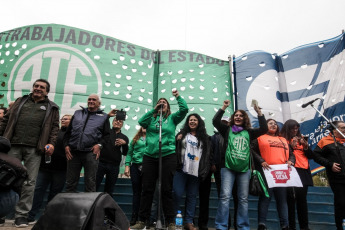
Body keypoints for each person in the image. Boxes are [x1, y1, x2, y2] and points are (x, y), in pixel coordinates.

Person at [0, 79, 59, 228]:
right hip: (12, 146)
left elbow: (54, 129)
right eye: (36, 86)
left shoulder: (52, 107)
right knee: (4, 178)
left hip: (35, 149)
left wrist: (51, 143)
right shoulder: (20, 101)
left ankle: (21, 216)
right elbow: (5, 120)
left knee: (29, 182)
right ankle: (1, 213)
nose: (38, 89)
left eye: (42, 87)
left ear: (47, 91)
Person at [130, 89, 188, 230]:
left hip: (167, 155)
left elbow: (184, 109)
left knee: (166, 189)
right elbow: (141, 121)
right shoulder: (151, 118)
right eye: (159, 102)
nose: (162, 104)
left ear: (168, 106)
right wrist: (154, 111)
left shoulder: (172, 119)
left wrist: (177, 96)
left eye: (164, 103)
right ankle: (142, 220)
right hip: (150, 156)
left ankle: (170, 222)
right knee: (147, 189)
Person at [213, 99, 267, 230]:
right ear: (233, 118)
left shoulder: (249, 132)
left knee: (243, 199)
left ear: (245, 118)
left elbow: (264, 129)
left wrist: (259, 112)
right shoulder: (227, 129)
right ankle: (221, 226)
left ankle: (243, 226)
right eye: (236, 115)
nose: (238, 117)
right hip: (227, 168)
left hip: (244, 169)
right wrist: (224, 107)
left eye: (241, 115)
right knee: (225, 197)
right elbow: (215, 121)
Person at [27, 114, 72, 224]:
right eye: (62, 119)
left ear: (72, 121)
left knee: (55, 194)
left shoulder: (73, 134)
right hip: (44, 168)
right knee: (38, 191)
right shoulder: (54, 133)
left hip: (61, 169)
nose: (63, 120)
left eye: (66, 119)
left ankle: (49, 218)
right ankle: (30, 216)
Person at [251, 119, 295, 230]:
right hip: (267, 172)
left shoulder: (283, 139)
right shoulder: (260, 139)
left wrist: (291, 161)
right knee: (265, 198)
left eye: (275, 123)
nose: (273, 125)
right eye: (270, 123)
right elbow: (251, 150)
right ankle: (262, 224)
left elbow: (292, 154)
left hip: (282, 173)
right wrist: (261, 160)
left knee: (282, 200)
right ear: (265, 126)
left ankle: (285, 225)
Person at [64, 94, 110, 192]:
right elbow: (68, 132)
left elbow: (107, 135)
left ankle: (90, 207)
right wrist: (66, 145)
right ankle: (69, 206)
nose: (91, 101)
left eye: (94, 99)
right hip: (73, 153)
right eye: (89, 99)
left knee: (90, 182)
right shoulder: (77, 113)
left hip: (90, 153)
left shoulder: (104, 117)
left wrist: (99, 145)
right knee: (70, 182)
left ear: (99, 103)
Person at [174, 113, 211, 230]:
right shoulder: (181, 134)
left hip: (196, 171)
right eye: (190, 120)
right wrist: (177, 140)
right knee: (177, 194)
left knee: (192, 196)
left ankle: (189, 222)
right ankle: (174, 220)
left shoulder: (205, 138)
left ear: (199, 122)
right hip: (181, 169)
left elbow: (207, 154)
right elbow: (175, 149)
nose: (193, 122)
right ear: (187, 122)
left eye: (195, 120)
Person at [280, 119, 313, 230]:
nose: (295, 130)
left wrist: (306, 146)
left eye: (296, 128)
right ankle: (291, 226)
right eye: (292, 128)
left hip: (303, 171)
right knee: (290, 200)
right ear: (287, 129)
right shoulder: (282, 140)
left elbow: (311, 156)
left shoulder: (302, 139)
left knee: (302, 200)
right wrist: (292, 147)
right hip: (291, 171)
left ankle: (305, 227)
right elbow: (282, 156)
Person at [313, 121, 345, 230]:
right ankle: (340, 227)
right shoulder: (325, 141)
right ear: (334, 130)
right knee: (341, 202)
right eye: (343, 128)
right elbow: (316, 156)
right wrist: (329, 164)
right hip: (337, 178)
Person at [96, 115, 128, 195]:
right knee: (94, 186)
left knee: (109, 189)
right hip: (100, 163)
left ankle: (106, 206)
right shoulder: (105, 132)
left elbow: (125, 152)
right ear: (112, 122)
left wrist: (124, 144)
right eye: (116, 120)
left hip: (114, 166)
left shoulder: (125, 137)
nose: (117, 122)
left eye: (120, 121)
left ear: (122, 125)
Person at [124, 127, 146, 225]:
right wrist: (127, 166)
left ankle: (143, 218)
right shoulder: (135, 139)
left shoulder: (153, 137)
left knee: (146, 193)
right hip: (135, 167)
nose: (144, 126)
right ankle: (134, 216)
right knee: (136, 192)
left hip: (148, 168)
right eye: (143, 125)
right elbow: (129, 153)